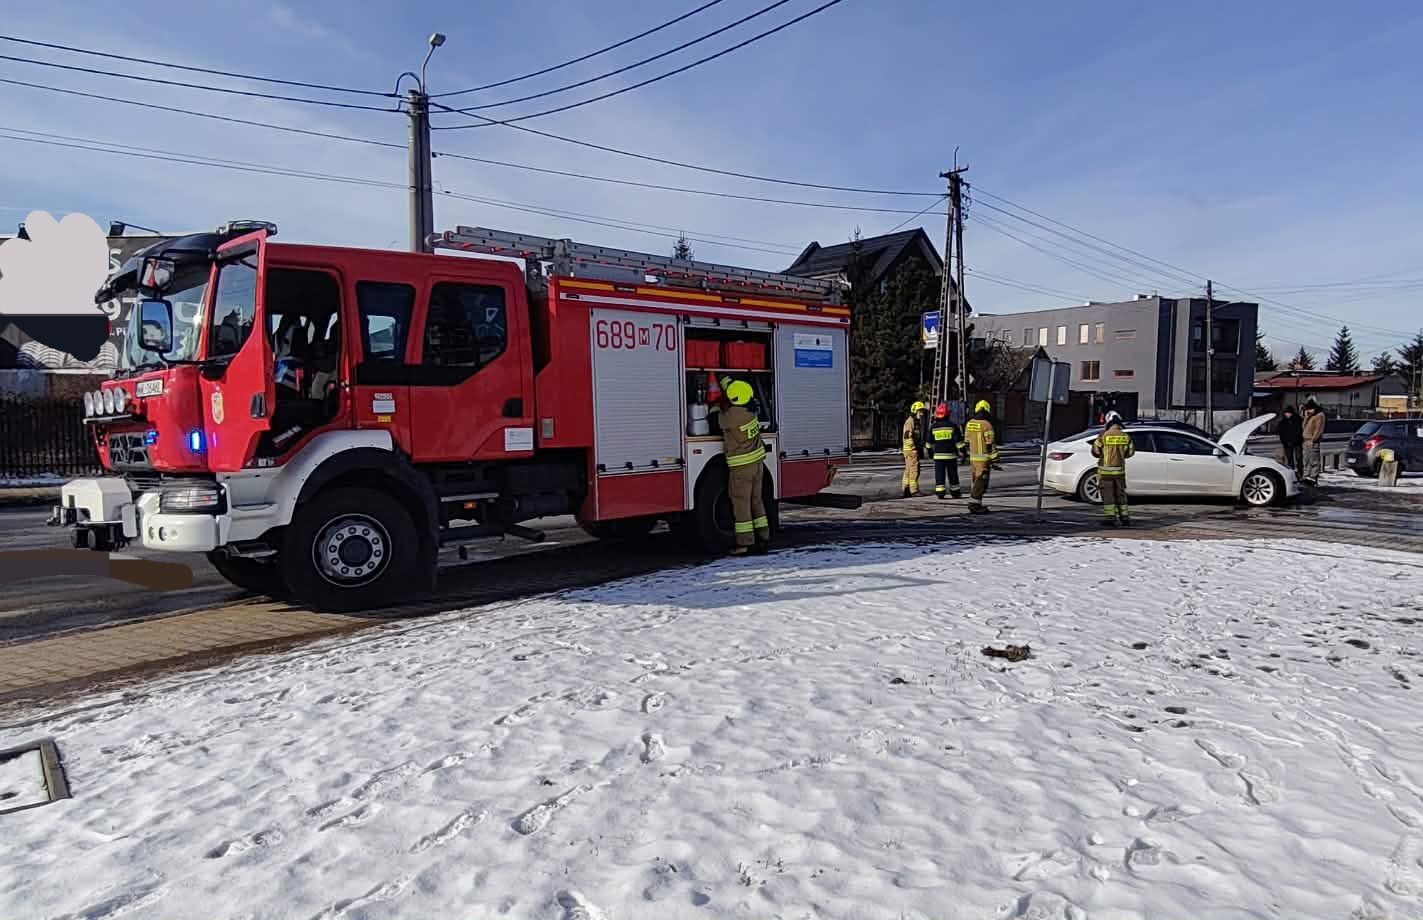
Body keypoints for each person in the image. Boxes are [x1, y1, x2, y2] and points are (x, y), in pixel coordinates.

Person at [719, 377, 770, 556]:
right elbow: (735, 395)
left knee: (741, 504)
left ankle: (745, 544)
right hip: (757, 465)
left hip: (742, 468)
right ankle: (764, 537)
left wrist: (719, 404)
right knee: (756, 501)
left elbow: (719, 420)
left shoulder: (731, 416)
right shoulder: (751, 411)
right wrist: (727, 383)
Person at [1091, 410, 1136, 527]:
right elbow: (1130, 452)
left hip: (1105, 472)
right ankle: (1125, 517)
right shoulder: (1126, 436)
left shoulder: (1103, 436)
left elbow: (1095, 451)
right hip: (1120, 471)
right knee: (1120, 494)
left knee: (1108, 495)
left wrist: (1102, 455)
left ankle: (1110, 518)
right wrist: (1120, 456)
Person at [964, 399, 999, 514]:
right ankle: (974, 505)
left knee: (975, 481)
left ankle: (976, 503)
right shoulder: (987, 425)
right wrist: (994, 459)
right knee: (981, 482)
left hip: (973, 458)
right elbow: (990, 444)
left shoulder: (969, 423)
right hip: (983, 458)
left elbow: (967, 441)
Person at [929, 402, 965, 499]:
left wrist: (930, 454)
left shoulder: (933, 427)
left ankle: (940, 493)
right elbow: (959, 442)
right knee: (953, 475)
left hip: (938, 456)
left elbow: (928, 443)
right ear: (948, 414)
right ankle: (955, 492)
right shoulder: (953, 426)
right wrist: (963, 453)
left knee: (939, 475)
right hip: (951, 456)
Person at [902, 401, 927, 498]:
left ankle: (906, 488)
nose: (922, 413)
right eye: (920, 411)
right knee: (914, 470)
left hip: (910, 450)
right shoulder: (910, 422)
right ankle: (914, 490)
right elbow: (908, 437)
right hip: (911, 450)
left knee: (908, 470)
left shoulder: (914, 421)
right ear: (915, 411)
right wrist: (914, 449)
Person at [1302, 399, 1326, 485]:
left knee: (1314, 460)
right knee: (1306, 460)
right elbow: (1303, 426)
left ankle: (1313, 477)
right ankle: (1306, 476)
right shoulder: (1310, 415)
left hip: (1312, 441)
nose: (1308, 411)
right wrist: (1306, 417)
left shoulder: (1319, 416)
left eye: (1309, 409)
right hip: (1305, 440)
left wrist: (1314, 439)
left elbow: (1319, 429)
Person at [1277, 405, 1304, 480]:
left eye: (1289, 413)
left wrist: (1297, 440)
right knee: (1289, 459)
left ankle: (1300, 473)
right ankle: (1291, 474)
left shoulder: (1298, 420)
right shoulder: (1282, 422)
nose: (1287, 414)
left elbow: (1300, 431)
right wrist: (1284, 441)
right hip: (1287, 443)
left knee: (1299, 458)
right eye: (1286, 413)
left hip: (1297, 442)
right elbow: (1281, 433)